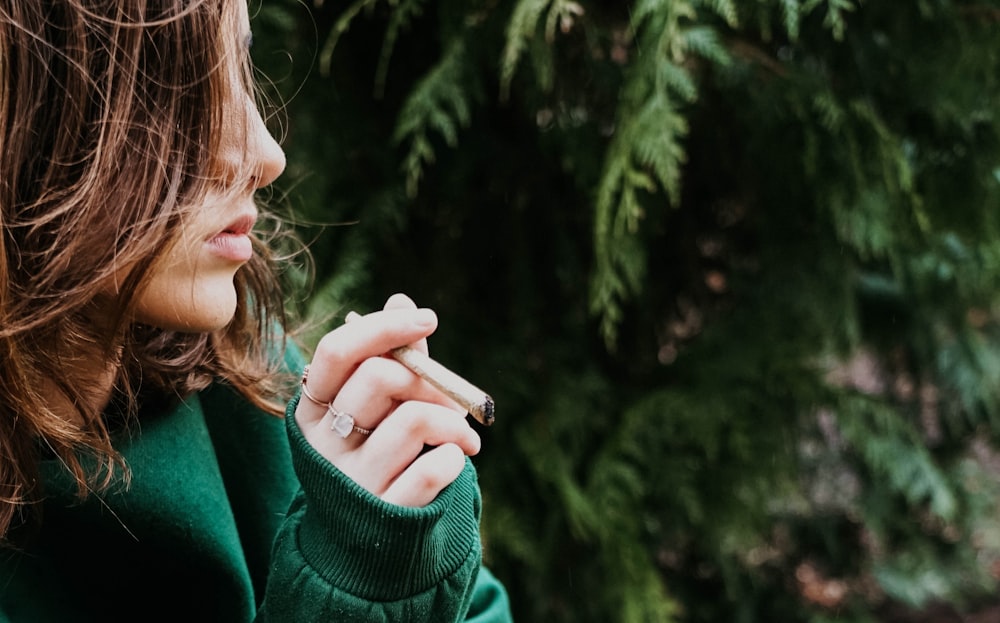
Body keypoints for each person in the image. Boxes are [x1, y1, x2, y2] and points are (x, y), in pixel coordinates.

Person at [0, 1, 513, 621]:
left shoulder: (238, 371)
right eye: (178, 94)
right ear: (23, 123)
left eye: (237, 69)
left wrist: (398, 541)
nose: (265, 154)